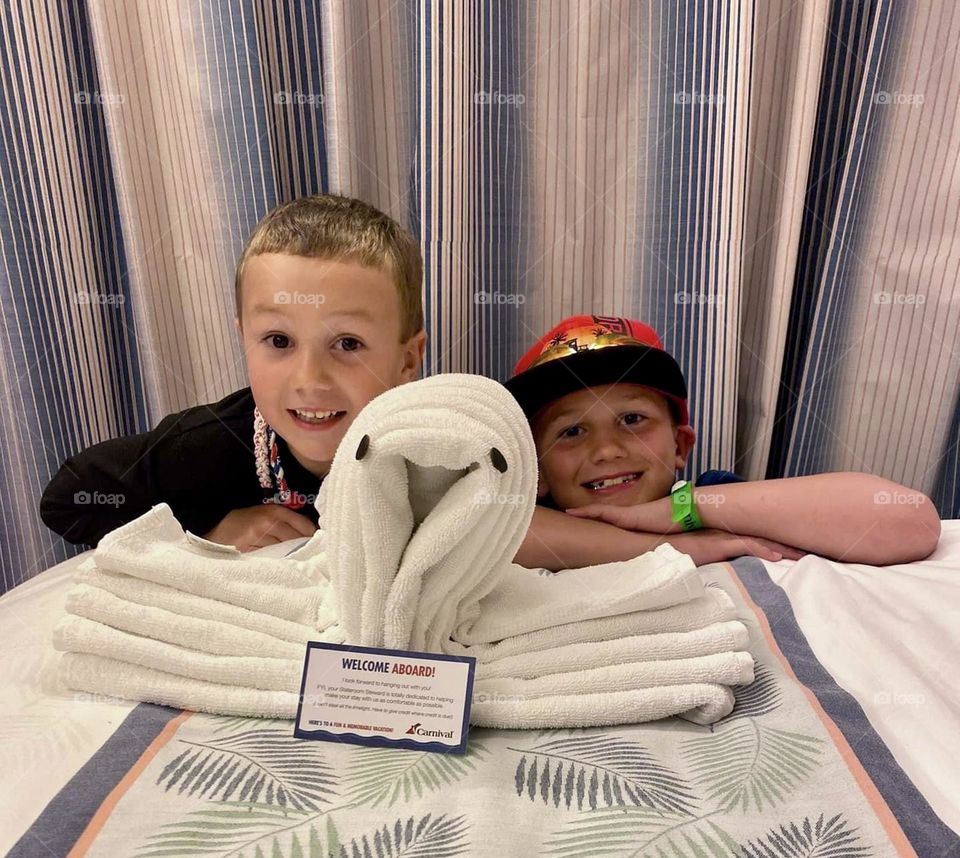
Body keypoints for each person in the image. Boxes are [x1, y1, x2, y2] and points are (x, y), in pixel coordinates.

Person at [40, 194, 427, 551]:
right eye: (278, 341)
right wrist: (203, 534)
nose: (310, 379)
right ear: (245, 338)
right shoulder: (204, 449)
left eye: (347, 344)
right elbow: (67, 498)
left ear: (407, 360)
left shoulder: (438, 448)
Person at [505, 314, 941, 569]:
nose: (607, 450)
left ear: (680, 446)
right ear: (536, 472)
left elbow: (911, 522)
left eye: (632, 419)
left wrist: (686, 512)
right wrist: (673, 548)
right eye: (572, 431)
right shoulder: (523, 522)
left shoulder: (711, 501)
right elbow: (466, 529)